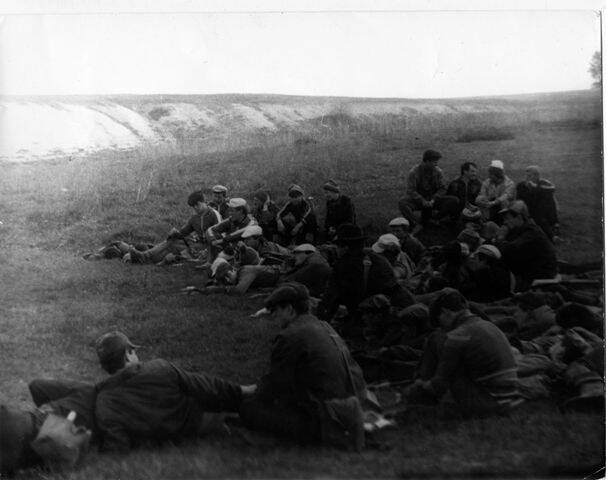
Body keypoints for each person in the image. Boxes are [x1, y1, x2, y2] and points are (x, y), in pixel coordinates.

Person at [239, 283, 367, 450]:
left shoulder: (289, 335)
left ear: (290, 310)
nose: (274, 317)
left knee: (249, 408)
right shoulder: (324, 326)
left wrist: (248, 394)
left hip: (326, 419)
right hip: (353, 411)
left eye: (276, 311)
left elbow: (274, 387)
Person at [92, 331, 254, 452]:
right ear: (128, 354)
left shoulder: (104, 399)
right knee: (235, 406)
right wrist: (242, 390)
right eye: (133, 351)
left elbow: (117, 443)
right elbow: (204, 385)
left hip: (165, 440)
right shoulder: (159, 367)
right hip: (196, 425)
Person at [409, 288, 523, 416]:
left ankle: (418, 388)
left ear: (445, 312)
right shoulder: (489, 325)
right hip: (510, 399)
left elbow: (439, 385)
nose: (443, 328)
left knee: (436, 338)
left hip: (487, 403)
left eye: (440, 322)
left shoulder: (457, 336)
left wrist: (422, 385)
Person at [317, 224, 415, 328]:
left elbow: (331, 298)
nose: (336, 249)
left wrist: (320, 322)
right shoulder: (378, 259)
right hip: (400, 310)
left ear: (344, 247)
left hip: (372, 318)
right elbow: (395, 288)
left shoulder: (343, 265)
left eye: (338, 246)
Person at [190, 243, 331, 298]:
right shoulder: (241, 274)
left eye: (227, 276)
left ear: (233, 269)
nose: (228, 280)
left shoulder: (245, 271)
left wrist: (220, 289)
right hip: (283, 277)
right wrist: (203, 290)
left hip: (283, 278)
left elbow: (239, 291)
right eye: (225, 280)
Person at [128, 190, 221, 264]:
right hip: (197, 245)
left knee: (173, 248)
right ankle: (144, 257)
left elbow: (222, 233)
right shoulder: (194, 218)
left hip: (211, 248)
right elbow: (183, 232)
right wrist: (175, 233)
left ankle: (144, 257)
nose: (196, 208)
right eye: (193, 206)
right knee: (171, 241)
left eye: (197, 205)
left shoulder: (213, 214)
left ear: (204, 202)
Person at [495, 200, 558, 290]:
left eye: (507, 218)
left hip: (540, 275)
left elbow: (509, 250)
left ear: (519, 217)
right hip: (529, 269)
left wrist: (500, 238)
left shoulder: (531, 233)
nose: (505, 222)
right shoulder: (518, 229)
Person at [398, 149, 459, 229]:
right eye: (435, 162)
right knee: (402, 202)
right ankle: (415, 224)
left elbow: (443, 188)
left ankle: (434, 219)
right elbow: (411, 190)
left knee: (454, 200)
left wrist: (433, 199)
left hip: (433, 200)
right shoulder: (414, 172)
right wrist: (422, 200)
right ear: (426, 161)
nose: (436, 165)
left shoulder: (438, 172)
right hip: (419, 200)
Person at [515, 166, 559, 241]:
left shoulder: (544, 183)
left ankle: (553, 227)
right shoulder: (521, 185)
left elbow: (552, 189)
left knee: (549, 199)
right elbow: (518, 199)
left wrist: (536, 187)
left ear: (537, 176)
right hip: (527, 208)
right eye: (526, 176)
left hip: (542, 209)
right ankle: (551, 235)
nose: (527, 178)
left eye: (529, 176)